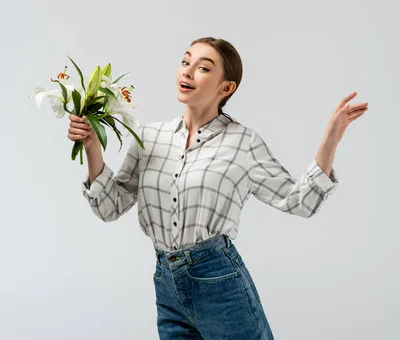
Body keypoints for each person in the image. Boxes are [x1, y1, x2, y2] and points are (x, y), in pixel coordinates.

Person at [68, 36, 368, 339]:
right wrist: (93, 147)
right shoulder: (150, 137)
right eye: (186, 62)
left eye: (203, 68)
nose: (187, 71)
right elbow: (109, 208)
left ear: (226, 88)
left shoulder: (243, 143)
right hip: (166, 284)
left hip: (219, 280)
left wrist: (331, 138)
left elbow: (300, 202)